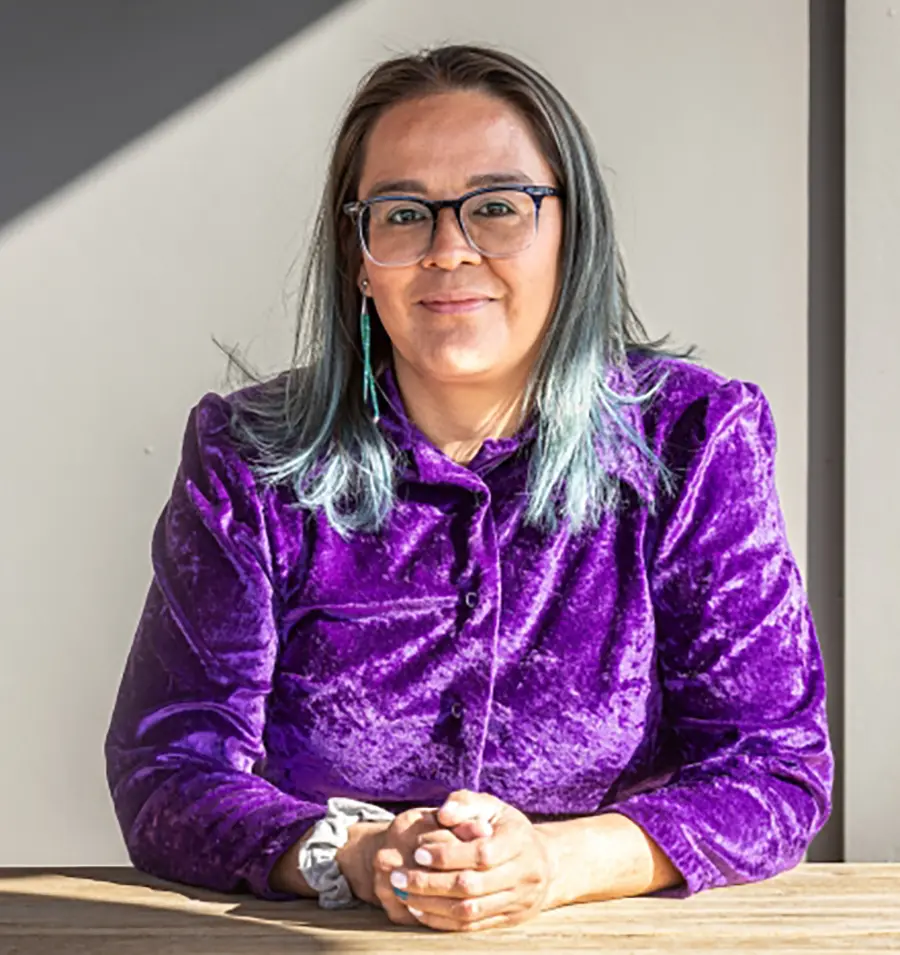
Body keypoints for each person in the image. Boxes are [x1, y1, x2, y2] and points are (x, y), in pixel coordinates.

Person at [104, 43, 833, 933]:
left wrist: (554, 864)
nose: (449, 250)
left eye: (497, 207)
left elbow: (772, 769)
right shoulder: (250, 457)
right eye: (404, 213)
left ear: (573, 233)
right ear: (359, 257)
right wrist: (360, 856)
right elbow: (169, 769)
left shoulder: (695, 441)